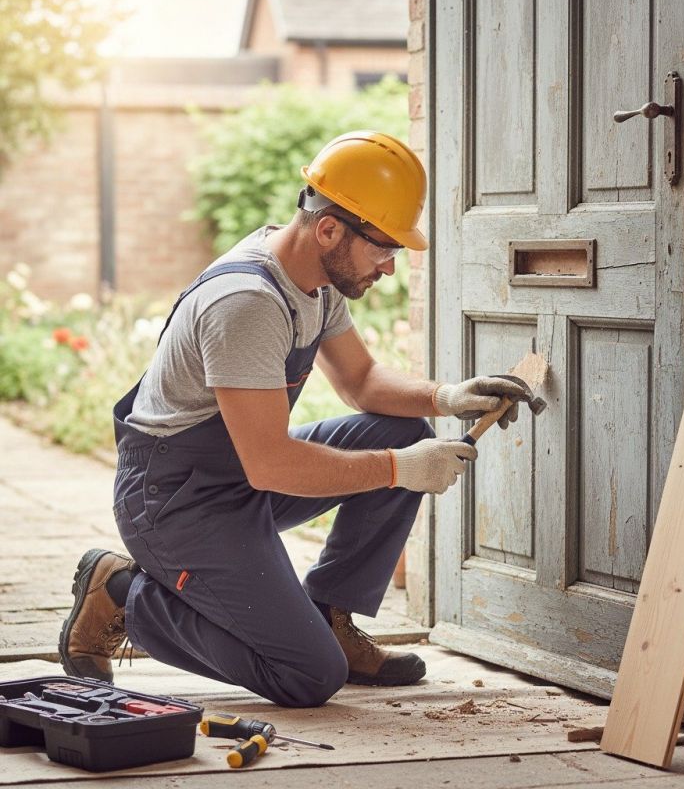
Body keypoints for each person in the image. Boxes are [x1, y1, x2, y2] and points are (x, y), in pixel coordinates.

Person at [58, 130, 529, 707]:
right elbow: (271, 464)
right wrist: (398, 470)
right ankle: (125, 595)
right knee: (307, 675)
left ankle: (329, 614)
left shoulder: (316, 277)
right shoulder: (247, 303)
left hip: (234, 473)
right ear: (329, 227)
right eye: (384, 247)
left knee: (402, 429)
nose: (387, 266)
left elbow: (361, 382)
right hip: (175, 500)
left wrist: (447, 397)